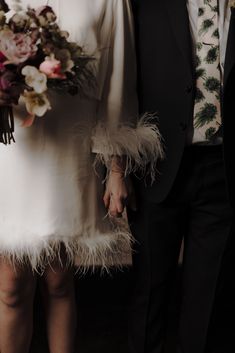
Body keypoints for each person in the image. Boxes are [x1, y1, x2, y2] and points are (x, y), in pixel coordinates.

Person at [0, 1, 162, 353]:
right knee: (11, 287)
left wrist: (116, 169)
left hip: (70, 148)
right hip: (14, 148)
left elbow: (119, 82)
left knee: (59, 281)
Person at [128, 1, 235, 353]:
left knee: (207, 302)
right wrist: (116, 167)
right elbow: (125, 76)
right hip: (160, 162)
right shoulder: (146, 5)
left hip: (222, 168)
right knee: (149, 295)